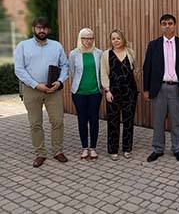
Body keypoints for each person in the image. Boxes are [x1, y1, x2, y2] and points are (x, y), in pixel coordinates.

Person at [14, 17, 69, 168]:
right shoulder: (23, 46)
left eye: (44, 28)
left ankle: (58, 151)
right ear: (34, 29)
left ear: (48, 30)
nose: (42, 31)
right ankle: (40, 153)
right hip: (32, 90)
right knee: (35, 123)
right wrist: (36, 85)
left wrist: (60, 82)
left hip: (53, 90)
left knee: (57, 121)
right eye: (39, 28)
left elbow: (65, 65)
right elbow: (19, 69)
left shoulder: (56, 46)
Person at [143, 14, 179, 162]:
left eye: (170, 23)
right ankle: (157, 149)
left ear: (175, 25)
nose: (167, 26)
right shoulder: (153, 45)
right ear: (160, 26)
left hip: (177, 88)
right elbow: (147, 68)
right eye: (164, 23)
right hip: (159, 88)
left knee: (177, 121)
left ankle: (177, 149)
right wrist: (146, 89)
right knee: (158, 121)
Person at [101, 29, 139, 161]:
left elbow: (134, 68)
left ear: (123, 39)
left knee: (128, 120)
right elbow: (104, 73)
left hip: (130, 92)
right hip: (113, 92)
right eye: (113, 38)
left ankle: (127, 148)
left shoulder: (130, 52)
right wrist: (107, 90)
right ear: (110, 40)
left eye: (118, 38)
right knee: (113, 121)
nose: (116, 41)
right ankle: (113, 150)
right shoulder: (106, 54)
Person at [69, 28, 103, 160]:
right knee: (82, 120)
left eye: (91, 38)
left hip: (95, 92)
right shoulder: (74, 54)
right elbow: (73, 71)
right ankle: (84, 148)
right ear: (80, 39)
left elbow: (101, 71)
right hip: (79, 93)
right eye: (85, 38)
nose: (88, 41)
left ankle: (93, 148)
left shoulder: (99, 53)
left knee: (94, 120)